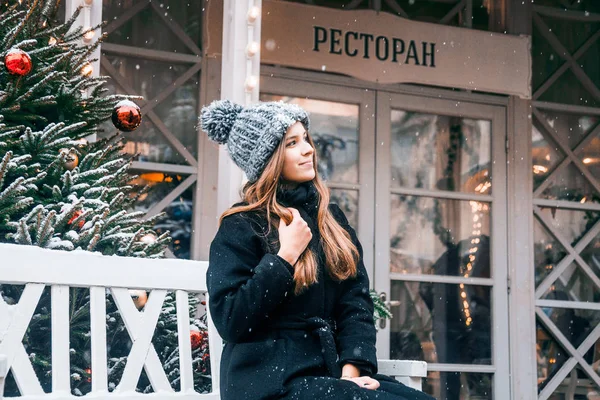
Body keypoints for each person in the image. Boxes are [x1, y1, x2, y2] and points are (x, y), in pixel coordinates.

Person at [200, 99, 435, 400]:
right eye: (292, 143)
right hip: (268, 380)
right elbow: (231, 320)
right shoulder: (242, 224)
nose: (308, 149)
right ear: (268, 159)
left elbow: (355, 303)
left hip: (328, 373)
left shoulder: (330, 220)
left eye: (306, 140)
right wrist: (284, 258)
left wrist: (353, 368)